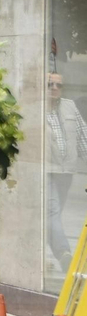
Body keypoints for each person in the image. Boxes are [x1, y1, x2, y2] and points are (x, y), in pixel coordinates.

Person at [46, 72, 87, 270]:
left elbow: (83, 138)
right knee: (51, 211)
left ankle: (45, 254)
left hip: (66, 173)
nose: (54, 88)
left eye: (58, 85)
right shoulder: (34, 109)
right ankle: (64, 254)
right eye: (49, 84)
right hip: (44, 171)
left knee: (52, 215)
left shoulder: (70, 106)